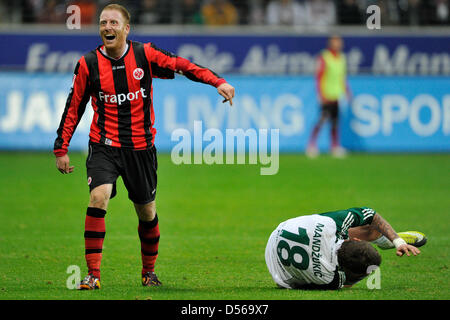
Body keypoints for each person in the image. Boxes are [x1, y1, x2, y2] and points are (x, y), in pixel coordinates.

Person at [53, 3, 235, 290]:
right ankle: (93, 274)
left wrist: (218, 82)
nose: (107, 27)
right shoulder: (88, 64)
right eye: (103, 23)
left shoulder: (144, 54)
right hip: (104, 145)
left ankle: (148, 272)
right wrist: (60, 148)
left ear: (126, 28)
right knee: (98, 197)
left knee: (146, 212)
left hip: (141, 148)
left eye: (113, 23)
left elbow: (182, 66)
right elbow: (73, 106)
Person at [265, 206, 427, 289]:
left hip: (279, 235)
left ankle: (391, 240)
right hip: (278, 272)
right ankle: (386, 240)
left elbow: (370, 214)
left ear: (353, 239)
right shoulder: (330, 278)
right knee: (369, 237)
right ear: (353, 238)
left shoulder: (330, 225)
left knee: (368, 228)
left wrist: (398, 241)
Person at [306, 35, 351, 158]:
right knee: (322, 119)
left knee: (335, 121)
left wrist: (347, 91)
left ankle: (335, 146)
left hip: (337, 95)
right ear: (331, 43)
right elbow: (319, 76)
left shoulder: (342, 58)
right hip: (326, 94)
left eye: (340, 42)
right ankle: (311, 145)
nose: (339, 44)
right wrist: (320, 94)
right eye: (336, 42)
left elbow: (342, 77)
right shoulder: (324, 57)